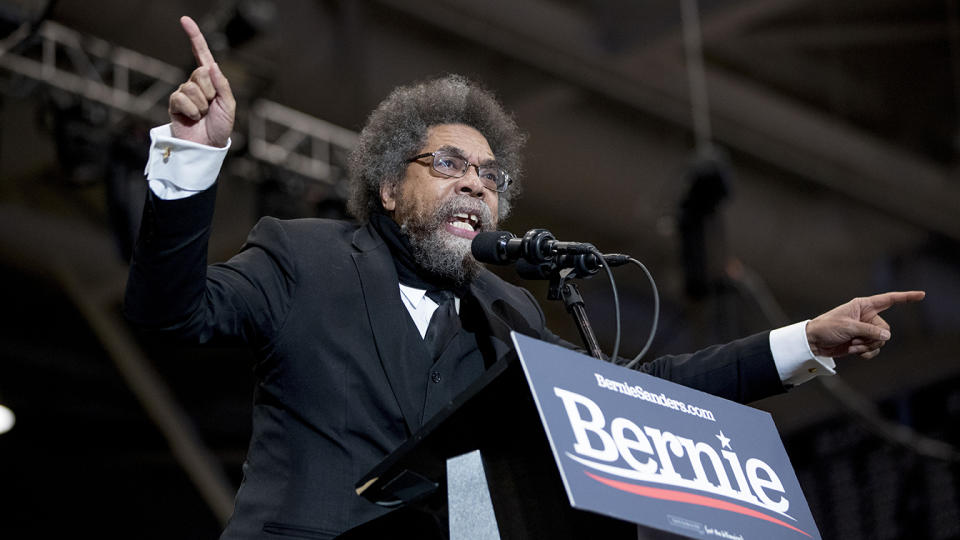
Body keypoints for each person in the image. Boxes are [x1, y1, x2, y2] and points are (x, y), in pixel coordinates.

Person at [124, 16, 925, 540]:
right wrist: (193, 158)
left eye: (491, 173)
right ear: (385, 184)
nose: (478, 183)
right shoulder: (303, 257)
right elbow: (172, 314)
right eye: (449, 163)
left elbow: (641, 401)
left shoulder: (506, 313)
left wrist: (800, 343)